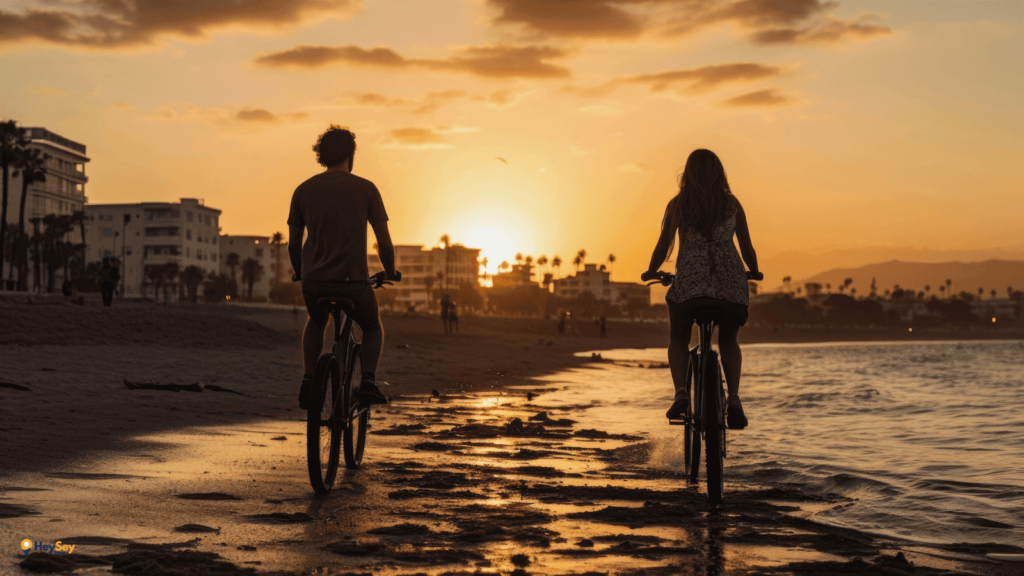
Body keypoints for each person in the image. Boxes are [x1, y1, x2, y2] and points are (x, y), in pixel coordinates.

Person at [641, 149, 760, 430]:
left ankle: (681, 392)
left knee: (678, 338)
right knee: (728, 341)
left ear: (688, 174)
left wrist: (651, 270)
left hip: (690, 290)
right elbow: (746, 247)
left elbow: (663, 245)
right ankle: (734, 398)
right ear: (720, 174)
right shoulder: (732, 204)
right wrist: (754, 271)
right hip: (731, 289)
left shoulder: (679, 205)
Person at [287, 125, 400, 409]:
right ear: (351, 154)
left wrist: (300, 272)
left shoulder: (302, 190)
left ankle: (308, 380)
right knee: (372, 327)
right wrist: (389, 271)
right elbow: (385, 245)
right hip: (353, 284)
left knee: (316, 321)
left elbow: (293, 246)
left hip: (314, 283)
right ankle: (369, 382)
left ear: (322, 155)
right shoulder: (366, 188)